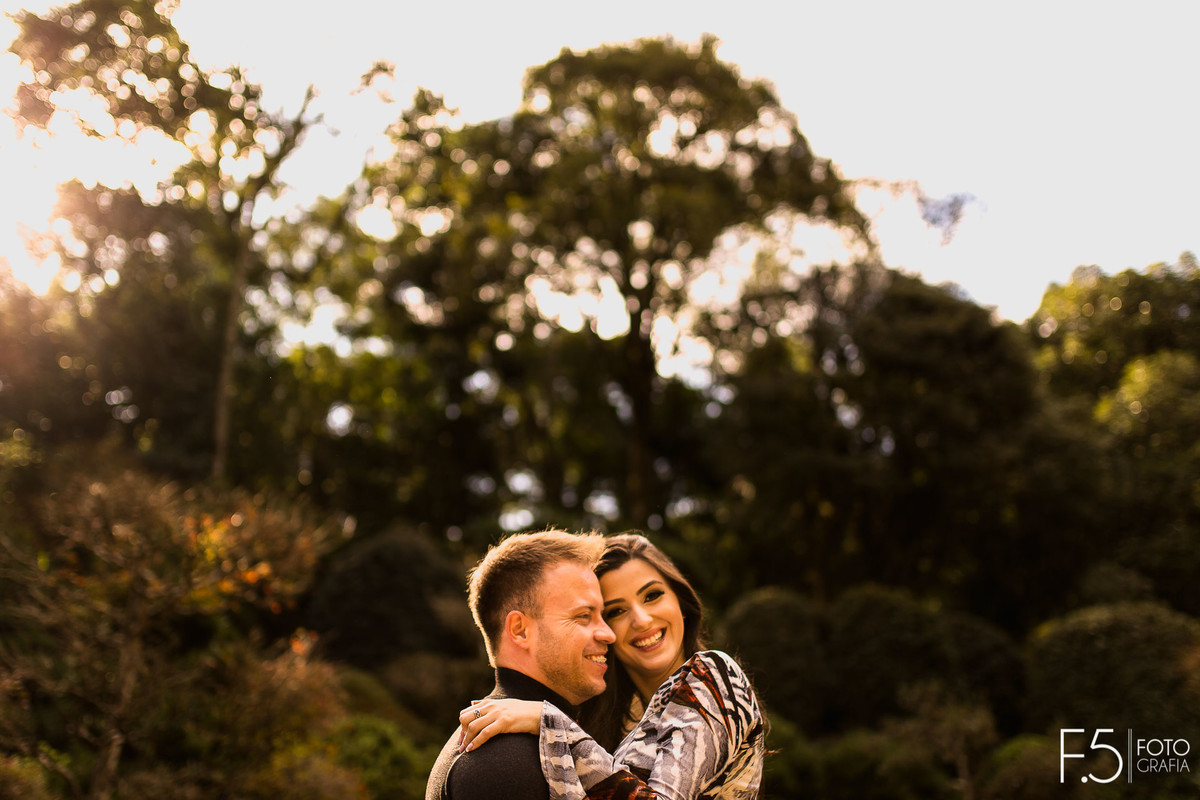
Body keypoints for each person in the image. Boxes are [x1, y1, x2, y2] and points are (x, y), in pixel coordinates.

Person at [457, 533, 766, 800]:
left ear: (680, 603)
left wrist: (549, 720)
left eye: (652, 595)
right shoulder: (616, 726)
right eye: (616, 611)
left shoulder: (713, 675)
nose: (641, 620)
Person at [426, 529, 616, 800]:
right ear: (520, 630)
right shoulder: (502, 762)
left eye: (603, 616)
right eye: (584, 616)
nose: (609, 634)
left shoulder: (535, 746)